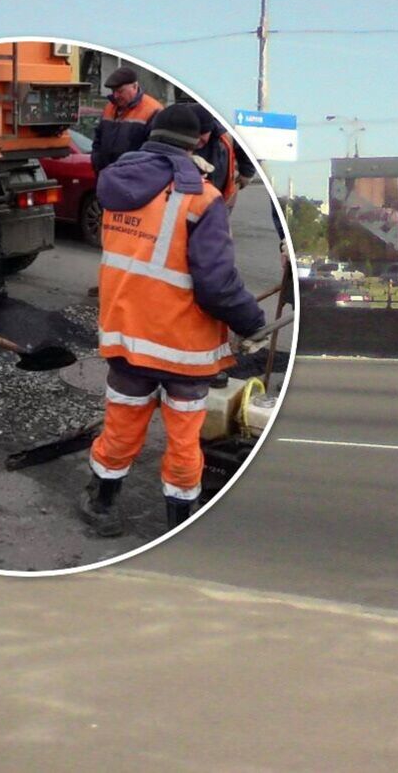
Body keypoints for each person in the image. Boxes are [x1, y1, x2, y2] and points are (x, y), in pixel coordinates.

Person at [81, 104, 269, 536]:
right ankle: (179, 522)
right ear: (199, 142)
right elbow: (217, 284)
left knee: (121, 428)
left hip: (126, 337)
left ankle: (101, 507)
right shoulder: (202, 199)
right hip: (183, 350)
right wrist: (251, 321)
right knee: (184, 440)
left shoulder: (115, 185)